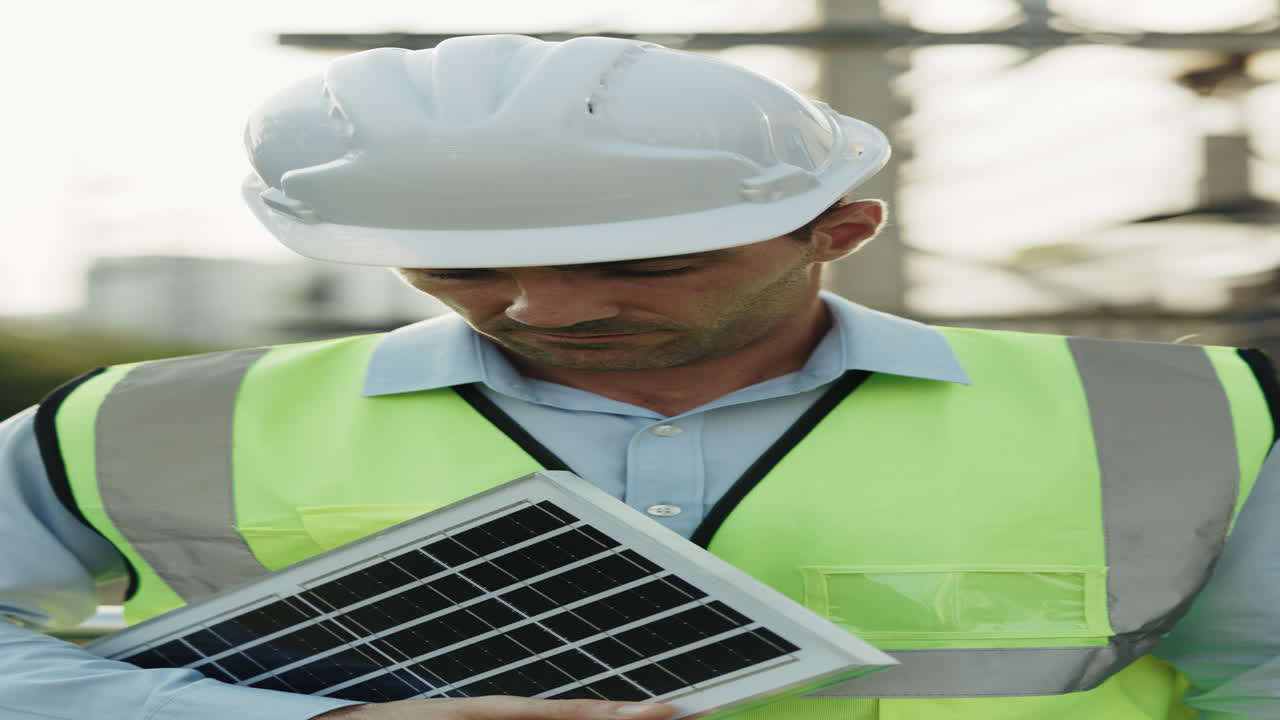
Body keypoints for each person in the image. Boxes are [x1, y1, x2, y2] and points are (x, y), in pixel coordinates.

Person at [1, 34, 1277, 720]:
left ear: (839, 232)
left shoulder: (1181, 418)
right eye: (456, 271)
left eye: (646, 264)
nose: (544, 308)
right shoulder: (138, 426)